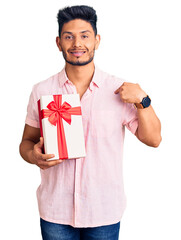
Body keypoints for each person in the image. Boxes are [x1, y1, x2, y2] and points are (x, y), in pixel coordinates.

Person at [19, 5, 162, 240]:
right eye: (69, 36)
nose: (77, 44)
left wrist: (142, 100)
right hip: (56, 212)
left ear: (97, 40)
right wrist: (33, 156)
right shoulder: (42, 90)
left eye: (84, 36)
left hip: (104, 212)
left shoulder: (119, 90)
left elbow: (154, 139)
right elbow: (26, 142)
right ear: (58, 43)